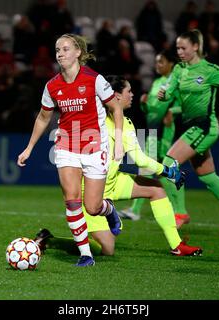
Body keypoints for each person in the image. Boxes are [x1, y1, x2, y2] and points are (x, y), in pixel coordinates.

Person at [35, 75, 202, 257]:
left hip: (113, 181)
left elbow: (140, 159)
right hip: (90, 191)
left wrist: (168, 173)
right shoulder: (95, 121)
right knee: (107, 249)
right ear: (116, 96)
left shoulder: (126, 123)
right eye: (128, 91)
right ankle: (49, 240)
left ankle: (176, 245)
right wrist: (169, 171)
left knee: (157, 190)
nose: (132, 95)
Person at [17, 34, 125, 267]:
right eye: (57, 49)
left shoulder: (94, 79)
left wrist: (119, 140)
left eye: (65, 49)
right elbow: (44, 117)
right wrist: (29, 147)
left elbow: (116, 107)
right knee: (72, 200)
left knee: (92, 207)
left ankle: (109, 210)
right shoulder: (52, 85)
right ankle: (86, 254)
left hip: (95, 146)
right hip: (66, 145)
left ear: (78, 52)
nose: (60, 53)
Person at [158, 29, 219, 238]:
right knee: (207, 176)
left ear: (196, 47)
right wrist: (163, 95)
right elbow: (169, 92)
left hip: (205, 127)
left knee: (169, 162)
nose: (179, 52)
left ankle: (180, 213)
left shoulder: (209, 70)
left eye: (183, 48)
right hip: (190, 127)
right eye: (177, 48)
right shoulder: (179, 70)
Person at [119, 49, 188, 225]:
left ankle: (179, 210)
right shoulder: (158, 82)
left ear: (171, 64)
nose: (157, 65)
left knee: (161, 168)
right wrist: (144, 104)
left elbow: (184, 105)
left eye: (161, 62)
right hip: (152, 128)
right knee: (152, 170)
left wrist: (172, 111)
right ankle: (140, 210)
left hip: (164, 130)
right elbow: (151, 109)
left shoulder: (175, 82)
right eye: (157, 62)